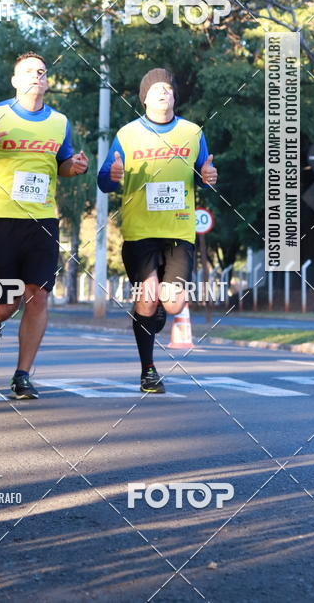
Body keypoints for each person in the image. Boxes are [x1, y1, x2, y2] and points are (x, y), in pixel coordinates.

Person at [0, 52, 89, 400]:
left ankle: (22, 375)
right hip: (0, 218)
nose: (36, 76)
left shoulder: (60, 122)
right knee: (6, 304)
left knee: (38, 296)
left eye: (42, 72)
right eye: (29, 71)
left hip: (43, 219)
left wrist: (76, 166)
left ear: (47, 82)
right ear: (15, 81)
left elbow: (63, 164)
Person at [98, 68, 218, 393]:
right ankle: (148, 370)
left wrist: (208, 175)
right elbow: (104, 181)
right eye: (155, 89)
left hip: (178, 230)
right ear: (144, 99)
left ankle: (160, 308)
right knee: (147, 297)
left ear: (174, 96)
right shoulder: (127, 134)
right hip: (140, 230)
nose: (163, 92)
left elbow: (203, 173)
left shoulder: (192, 132)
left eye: (167, 88)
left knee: (174, 303)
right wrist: (113, 174)